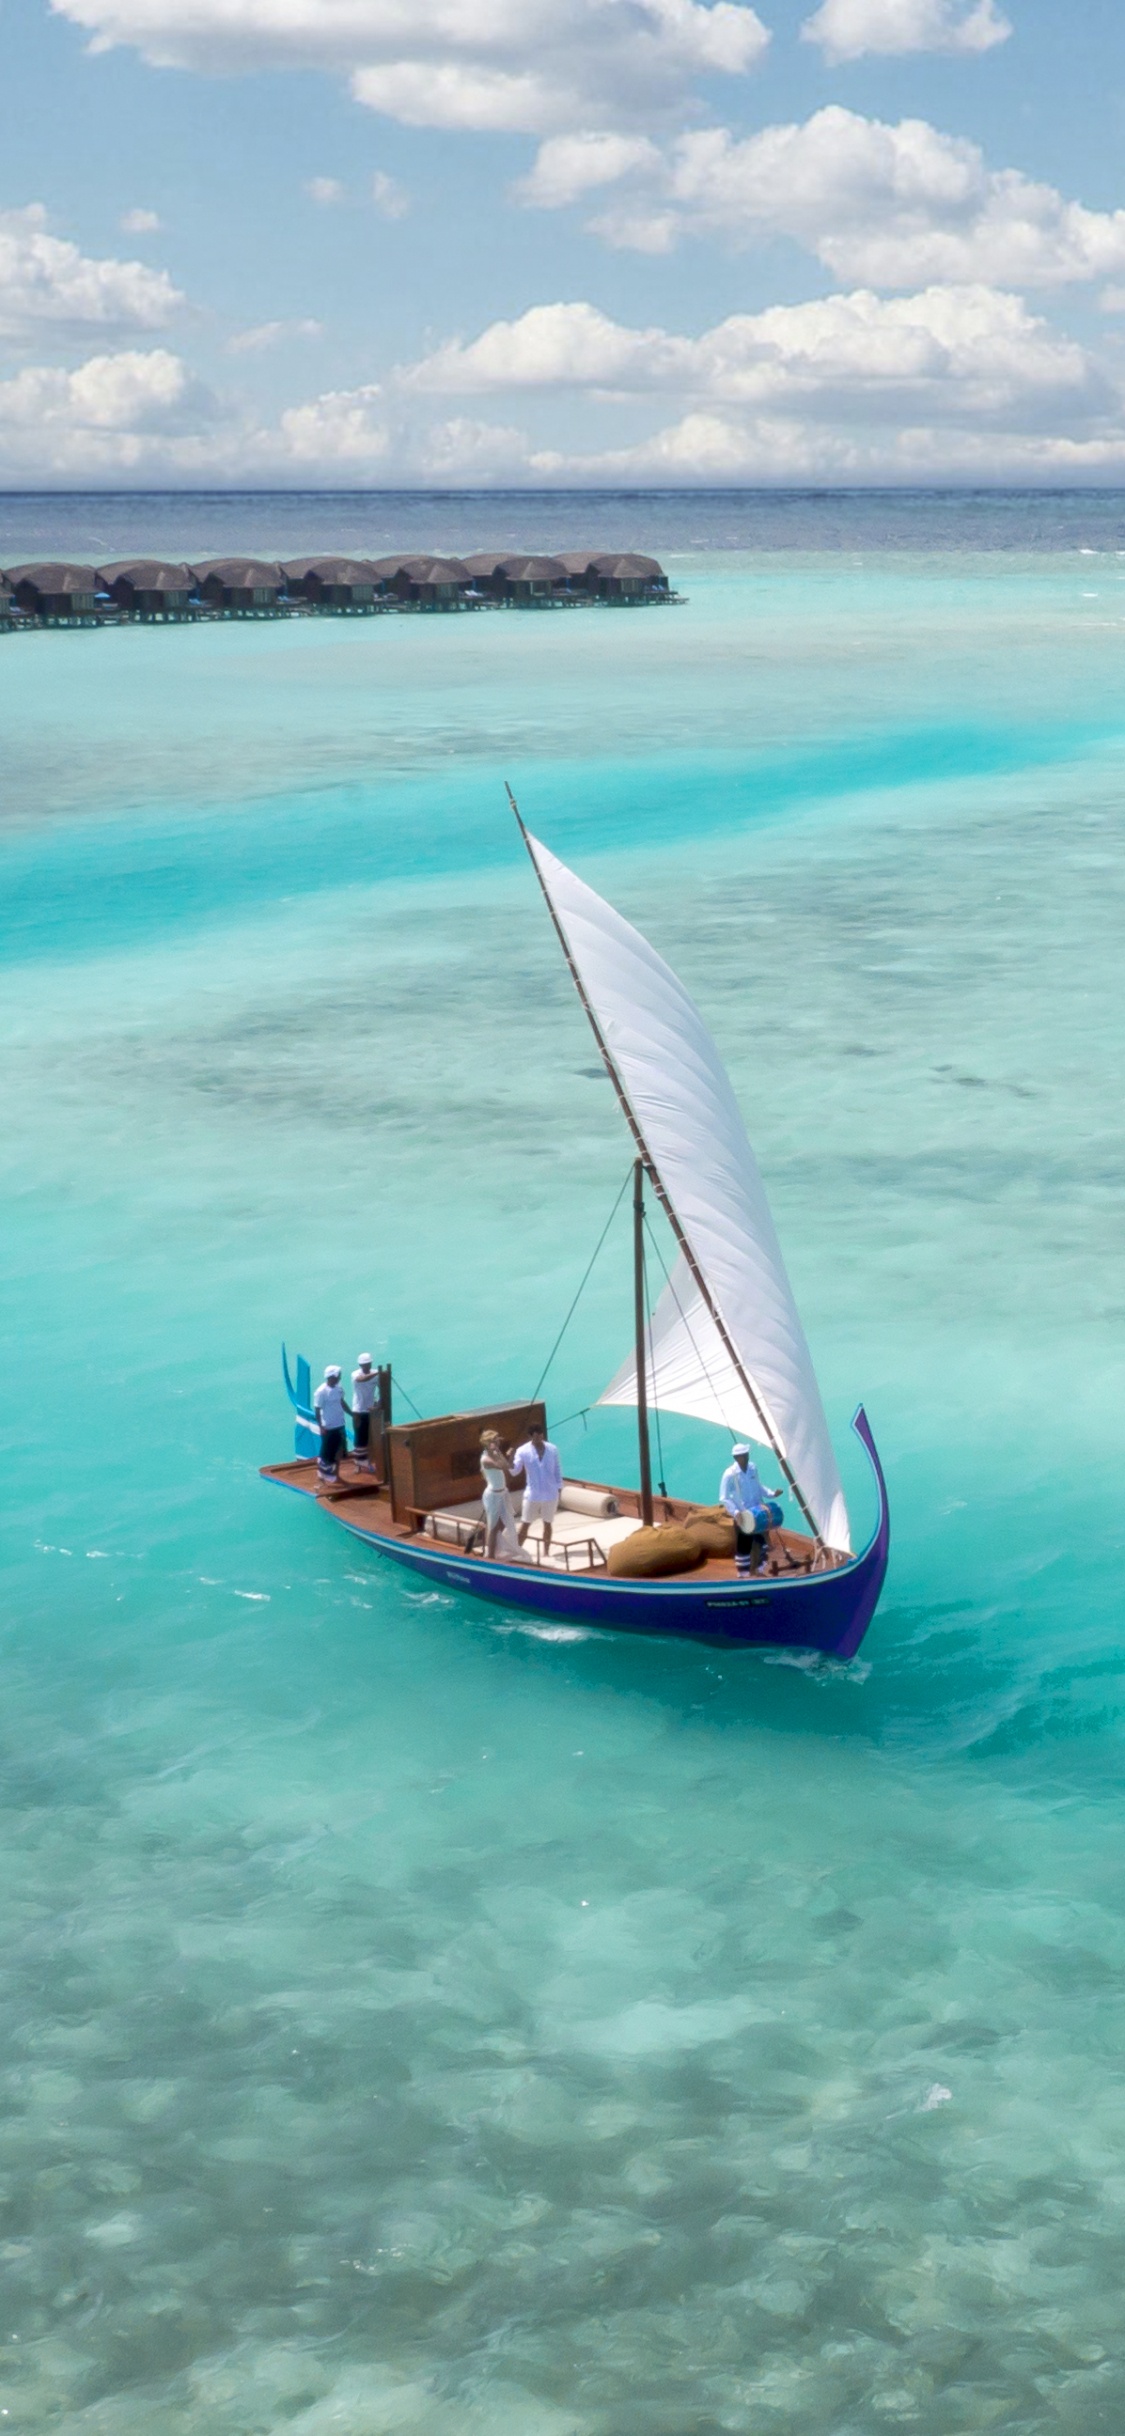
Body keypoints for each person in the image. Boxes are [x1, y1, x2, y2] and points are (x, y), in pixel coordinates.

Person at [720, 1443, 784, 1578]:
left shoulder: (753, 1468)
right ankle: (743, 1574)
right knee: (744, 1545)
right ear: (737, 1457)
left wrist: (772, 1494)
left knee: (759, 1541)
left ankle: (757, 1570)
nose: (747, 1457)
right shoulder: (729, 1474)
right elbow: (724, 1498)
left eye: (747, 1454)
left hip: (756, 1512)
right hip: (743, 1514)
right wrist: (736, 1513)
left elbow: (759, 1487)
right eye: (743, 1455)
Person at [513, 1421, 563, 1555]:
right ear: (530, 1436)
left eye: (540, 1436)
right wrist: (507, 1461)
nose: (539, 1439)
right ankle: (517, 1551)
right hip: (533, 1494)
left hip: (550, 1493)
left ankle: (546, 1552)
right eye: (536, 1437)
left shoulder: (552, 1449)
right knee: (525, 1523)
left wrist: (559, 1488)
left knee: (548, 1523)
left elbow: (557, 1469)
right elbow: (515, 1471)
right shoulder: (522, 1451)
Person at [476, 1427, 522, 1560]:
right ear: (488, 1443)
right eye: (495, 1441)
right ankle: (490, 1556)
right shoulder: (485, 1459)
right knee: (493, 1526)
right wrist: (501, 1454)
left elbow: (507, 1465)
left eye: (497, 1441)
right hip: (493, 1495)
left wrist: (506, 1455)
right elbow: (502, 1465)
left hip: (502, 1493)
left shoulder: (495, 1454)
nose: (498, 1443)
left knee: (502, 1523)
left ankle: (497, 1547)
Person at [313, 1363, 347, 1485]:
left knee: (339, 1452)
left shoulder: (339, 1388)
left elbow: (342, 1402)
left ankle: (336, 1475)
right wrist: (321, 1426)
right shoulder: (321, 1392)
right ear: (333, 1376)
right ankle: (322, 1475)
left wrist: (352, 1413)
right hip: (329, 1427)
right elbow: (317, 1409)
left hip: (340, 1424)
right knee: (327, 1453)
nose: (340, 1377)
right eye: (338, 1375)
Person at [350, 1353, 378, 1475]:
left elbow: (382, 1387)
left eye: (368, 1364)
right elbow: (362, 1379)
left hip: (370, 1410)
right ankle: (358, 1463)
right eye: (364, 1365)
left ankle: (368, 1460)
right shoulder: (355, 1374)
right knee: (359, 1438)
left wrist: (379, 1402)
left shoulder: (376, 1374)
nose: (367, 1366)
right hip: (358, 1410)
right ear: (360, 1365)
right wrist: (379, 1373)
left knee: (369, 1436)